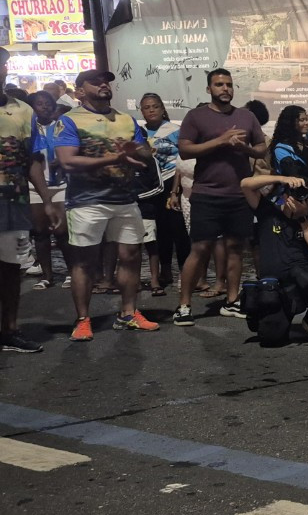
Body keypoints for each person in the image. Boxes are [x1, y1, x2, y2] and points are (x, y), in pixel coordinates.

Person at [53, 69, 161, 339]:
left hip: (125, 199)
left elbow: (144, 152)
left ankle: (128, 313)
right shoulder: (69, 120)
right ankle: (82, 320)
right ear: (80, 90)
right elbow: (68, 161)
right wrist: (115, 158)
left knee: (131, 256)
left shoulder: (126, 119)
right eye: (95, 82)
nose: (103, 84)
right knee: (84, 262)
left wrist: (139, 151)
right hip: (86, 202)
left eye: (106, 81)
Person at [174, 69, 266, 324]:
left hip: (239, 194)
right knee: (200, 249)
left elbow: (261, 148)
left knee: (235, 248)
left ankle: (232, 300)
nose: (225, 88)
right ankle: (184, 305)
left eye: (229, 84)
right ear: (209, 89)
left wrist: (245, 148)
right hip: (207, 193)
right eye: (219, 84)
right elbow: (184, 150)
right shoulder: (196, 116)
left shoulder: (246, 116)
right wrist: (221, 141)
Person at [240, 170, 308, 346]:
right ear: (285, 196)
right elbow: (245, 184)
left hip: (306, 284)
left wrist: (303, 218)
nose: (299, 199)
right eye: (294, 194)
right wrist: (281, 178)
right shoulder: (268, 212)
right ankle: (268, 318)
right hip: (276, 289)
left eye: (304, 195)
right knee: (271, 338)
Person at [0, 49, 56, 352]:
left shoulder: (23, 110)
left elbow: (32, 159)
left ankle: (9, 331)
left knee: (12, 268)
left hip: (13, 202)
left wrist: (47, 199)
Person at [137, 93, 186, 295]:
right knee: (159, 231)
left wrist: (175, 189)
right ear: (142, 111)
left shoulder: (175, 130)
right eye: (147, 107)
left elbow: (183, 159)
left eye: (155, 106)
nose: (151, 110)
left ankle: (185, 272)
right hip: (149, 186)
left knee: (178, 230)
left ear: (162, 109)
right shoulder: (138, 132)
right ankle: (165, 271)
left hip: (171, 182)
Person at [26, 89, 70, 292]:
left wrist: (59, 161)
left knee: (62, 231)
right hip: (35, 186)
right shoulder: (29, 128)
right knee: (40, 232)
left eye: (47, 103)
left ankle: (71, 272)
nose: (44, 107)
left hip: (59, 185)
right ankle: (47, 276)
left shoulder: (61, 126)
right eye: (39, 103)